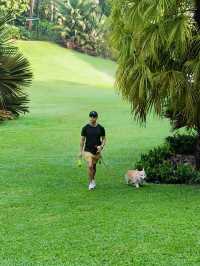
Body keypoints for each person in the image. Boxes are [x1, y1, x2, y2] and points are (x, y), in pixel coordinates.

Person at [79, 111, 106, 190]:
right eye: (91, 116)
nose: (92, 118)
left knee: (94, 167)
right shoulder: (85, 128)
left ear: (96, 118)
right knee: (90, 165)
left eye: (94, 117)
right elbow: (82, 140)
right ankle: (90, 183)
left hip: (97, 151)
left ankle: (93, 179)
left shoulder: (101, 128)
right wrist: (80, 151)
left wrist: (101, 146)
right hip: (87, 150)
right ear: (89, 117)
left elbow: (104, 139)